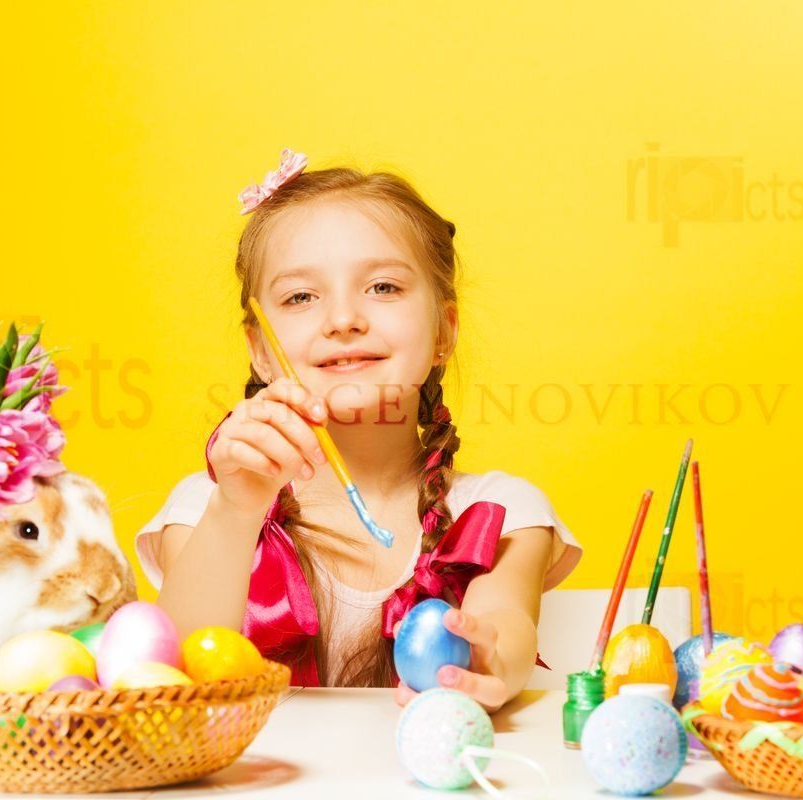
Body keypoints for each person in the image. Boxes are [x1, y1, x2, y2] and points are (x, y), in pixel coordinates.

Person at [135, 149, 581, 710]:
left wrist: (490, 657)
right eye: (301, 297)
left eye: (384, 288)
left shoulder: (501, 511)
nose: (343, 319)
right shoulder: (208, 507)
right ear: (260, 351)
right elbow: (169, 674)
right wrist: (237, 509)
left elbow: (504, 624)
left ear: (444, 331)